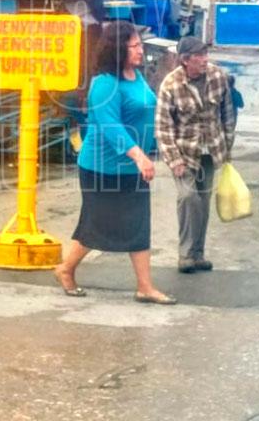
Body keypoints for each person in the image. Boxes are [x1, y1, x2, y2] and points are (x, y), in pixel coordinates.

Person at [53, 21, 175, 305]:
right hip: (102, 167)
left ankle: (145, 286)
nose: (141, 50)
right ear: (118, 48)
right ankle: (66, 269)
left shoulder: (136, 76)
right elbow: (111, 127)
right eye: (135, 46)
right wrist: (139, 155)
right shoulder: (105, 83)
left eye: (140, 45)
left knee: (139, 223)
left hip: (132, 167)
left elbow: (146, 110)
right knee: (99, 224)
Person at [155, 37, 235, 274]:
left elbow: (228, 114)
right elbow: (163, 127)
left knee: (203, 202)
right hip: (184, 153)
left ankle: (198, 253)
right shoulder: (171, 85)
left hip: (210, 151)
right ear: (185, 60)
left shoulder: (218, 76)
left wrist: (227, 148)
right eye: (199, 56)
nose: (204, 60)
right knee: (188, 197)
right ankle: (186, 255)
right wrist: (174, 160)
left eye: (205, 54)